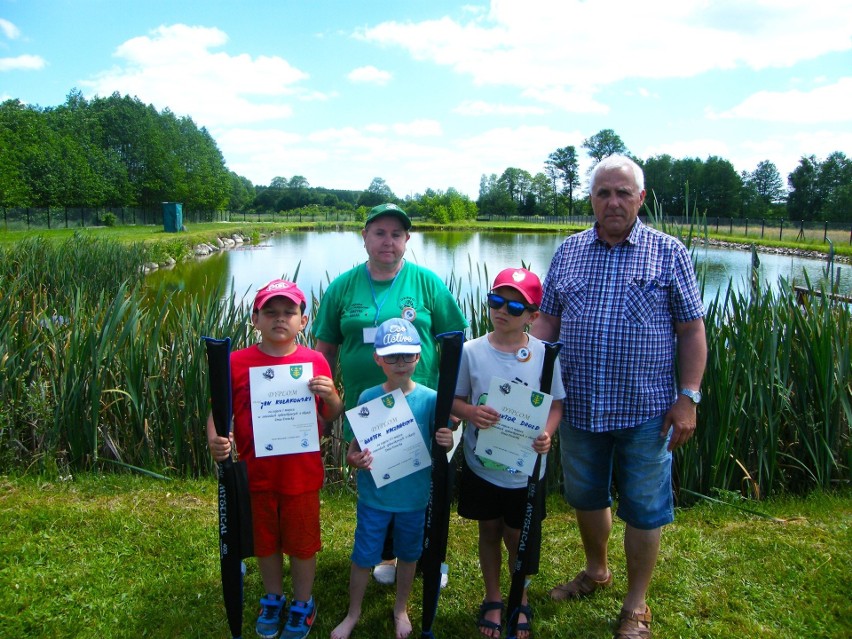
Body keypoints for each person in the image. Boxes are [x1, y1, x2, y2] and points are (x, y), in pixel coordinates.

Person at [531, 155, 707, 639]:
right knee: (586, 496)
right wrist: (530, 380)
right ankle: (595, 570)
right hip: (580, 405)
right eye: (603, 192)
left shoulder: (669, 252)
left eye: (623, 193)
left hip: (647, 410)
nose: (612, 201)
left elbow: (692, 331)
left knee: (645, 507)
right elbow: (547, 320)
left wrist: (688, 397)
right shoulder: (568, 251)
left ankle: (636, 603)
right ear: (591, 198)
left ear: (641, 198)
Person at [313, 202, 467, 585]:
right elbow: (324, 351)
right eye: (379, 232)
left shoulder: (426, 282)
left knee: (426, 482)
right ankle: (384, 554)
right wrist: (320, 401)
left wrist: (455, 399)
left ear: (407, 240)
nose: (388, 241)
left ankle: (430, 556)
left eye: (396, 234)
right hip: (367, 410)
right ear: (364, 237)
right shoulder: (343, 286)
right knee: (377, 476)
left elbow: (455, 343)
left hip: (421, 407)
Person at [207, 279, 343, 639]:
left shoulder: (315, 361)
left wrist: (330, 395)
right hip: (256, 475)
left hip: (300, 476)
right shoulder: (236, 363)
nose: (280, 319)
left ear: (304, 320)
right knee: (265, 542)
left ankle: (302, 603)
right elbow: (217, 413)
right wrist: (215, 439)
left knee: (301, 544)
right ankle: (273, 597)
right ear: (255, 318)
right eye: (270, 312)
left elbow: (331, 415)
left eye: (289, 313)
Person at [452, 268, 566, 639]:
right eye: (496, 301)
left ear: (533, 316)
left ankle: (521, 597)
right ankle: (494, 597)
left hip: (526, 468)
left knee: (518, 535)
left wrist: (547, 433)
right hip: (481, 466)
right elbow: (455, 401)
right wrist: (470, 413)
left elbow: (555, 405)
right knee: (489, 529)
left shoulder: (545, 356)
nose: (502, 311)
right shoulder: (471, 351)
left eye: (514, 306)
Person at [331, 318, 454, 639]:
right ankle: (353, 613)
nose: (400, 363)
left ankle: (401, 609)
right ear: (378, 358)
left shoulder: (431, 399)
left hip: (414, 499)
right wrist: (354, 459)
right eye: (391, 357)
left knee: (410, 555)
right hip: (375, 497)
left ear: (419, 355)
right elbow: (353, 450)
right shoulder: (368, 397)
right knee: (363, 556)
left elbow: (443, 443)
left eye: (408, 356)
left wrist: (446, 440)